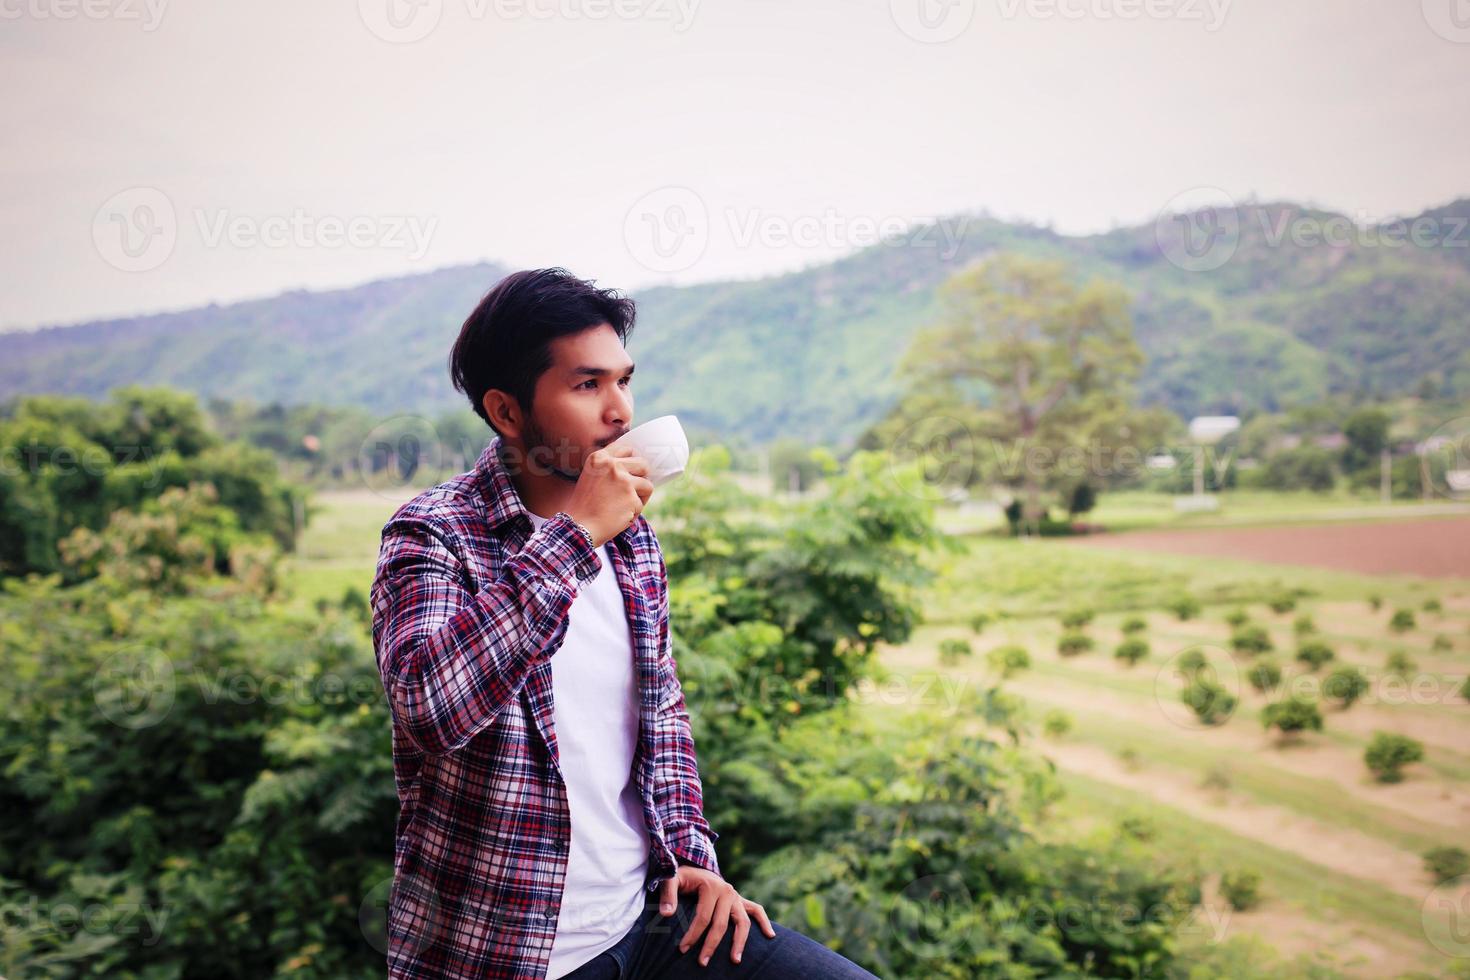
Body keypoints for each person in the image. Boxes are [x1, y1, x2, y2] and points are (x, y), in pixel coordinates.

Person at [370, 268, 879, 979]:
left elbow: (661, 712)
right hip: (505, 950)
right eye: (587, 386)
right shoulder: (433, 534)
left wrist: (691, 855)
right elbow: (429, 708)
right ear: (508, 412)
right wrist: (576, 533)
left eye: (624, 381)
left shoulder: (633, 539)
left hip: (648, 921)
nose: (619, 411)